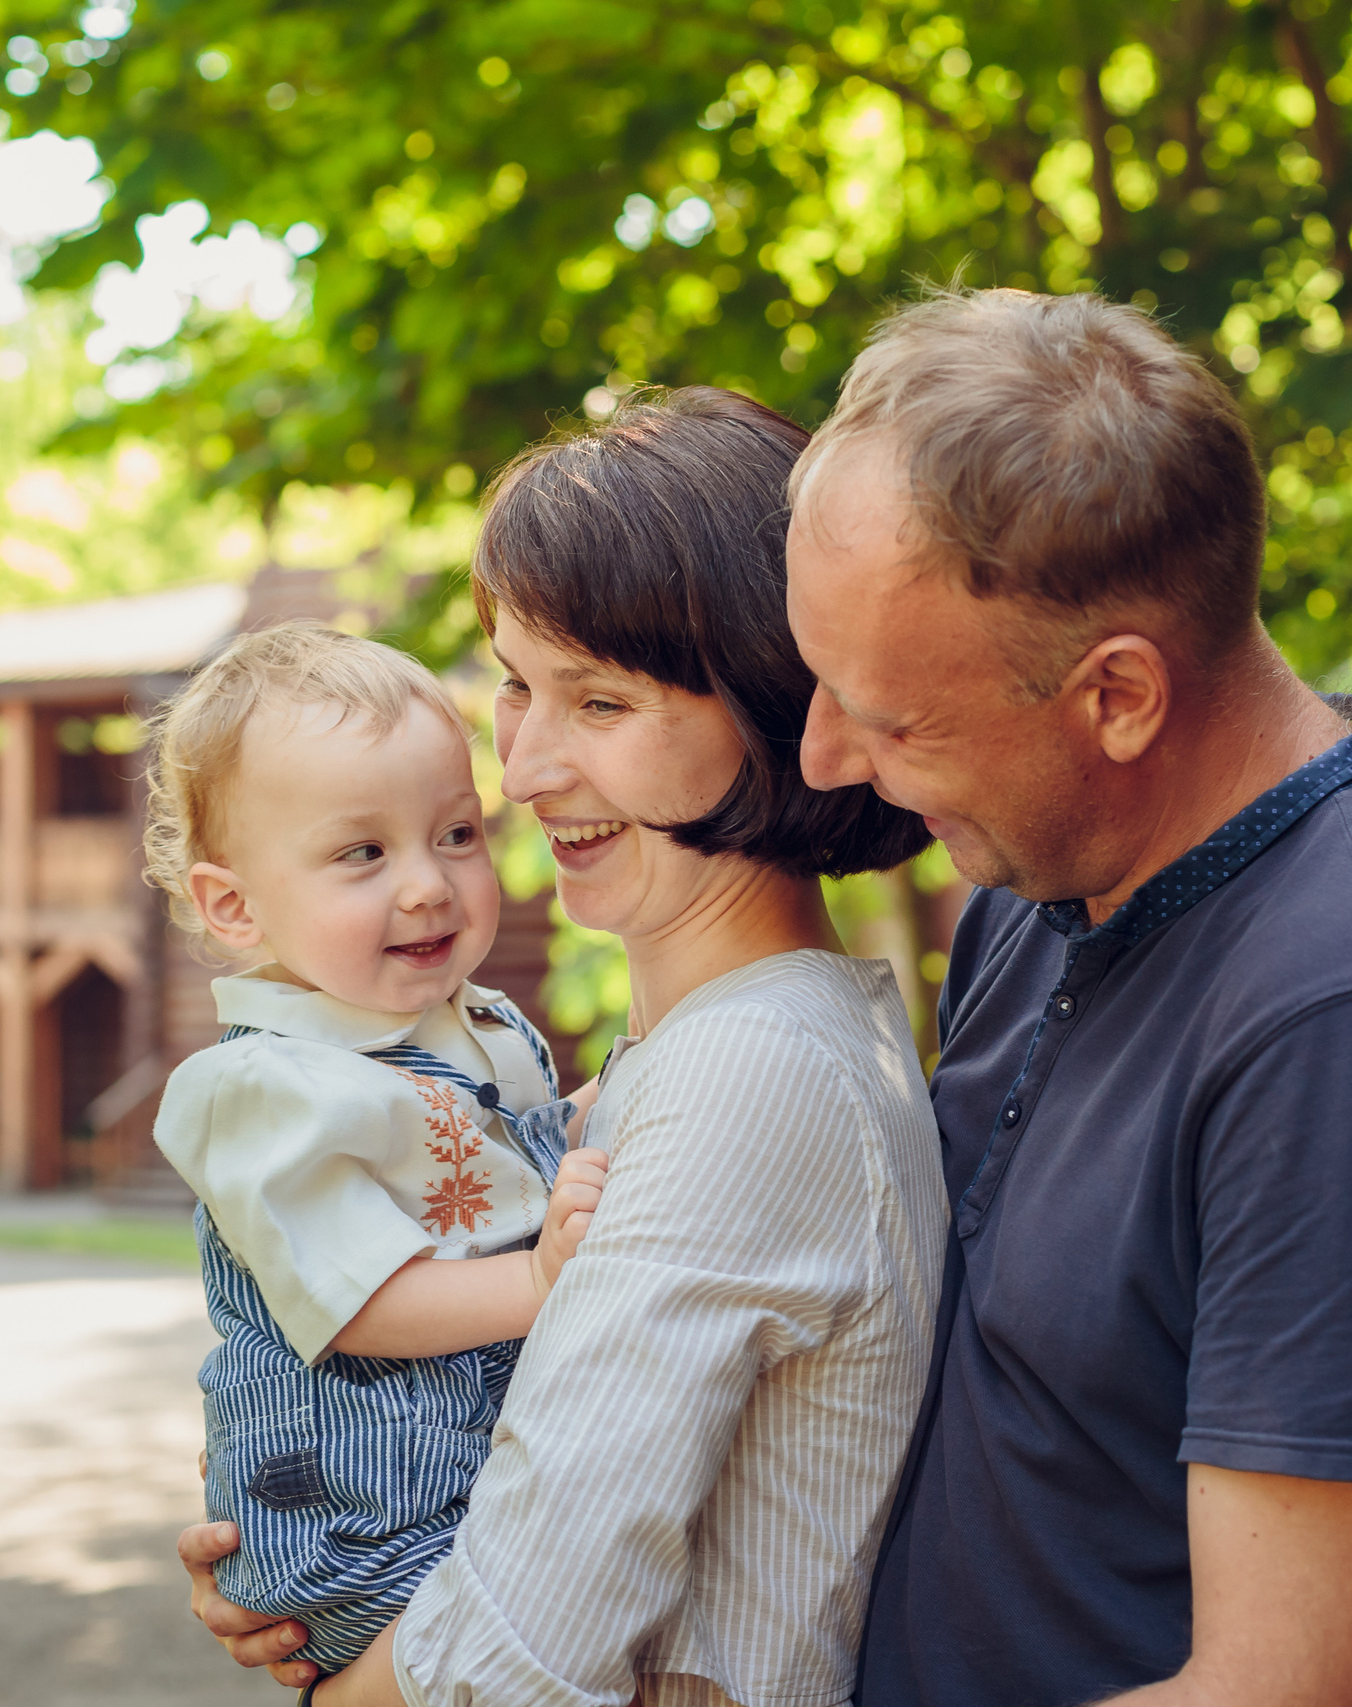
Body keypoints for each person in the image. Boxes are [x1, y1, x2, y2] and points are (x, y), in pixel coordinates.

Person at [783, 288, 1352, 1707]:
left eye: (892, 717)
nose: (822, 759)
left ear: (1118, 696)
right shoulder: (1045, 890)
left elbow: (1297, 1685)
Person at [180, 388, 950, 1707]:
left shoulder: (752, 1071)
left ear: (771, 705)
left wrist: (343, 1682)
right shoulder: (699, 1048)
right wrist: (317, 1540)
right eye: (517, 687)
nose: (527, 768)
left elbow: (517, 1650)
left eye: (600, 701)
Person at [142, 621, 611, 1674]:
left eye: (454, 834)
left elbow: (515, 1165)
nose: (426, 886)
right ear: (232, 904)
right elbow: (359, 1304)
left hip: (459, 1467)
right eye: (363, 853)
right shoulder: (267, 1092)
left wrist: (621, 1095)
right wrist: (539, 1283)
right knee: (550, 1660)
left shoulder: (470, 1024)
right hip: (364, 1513)